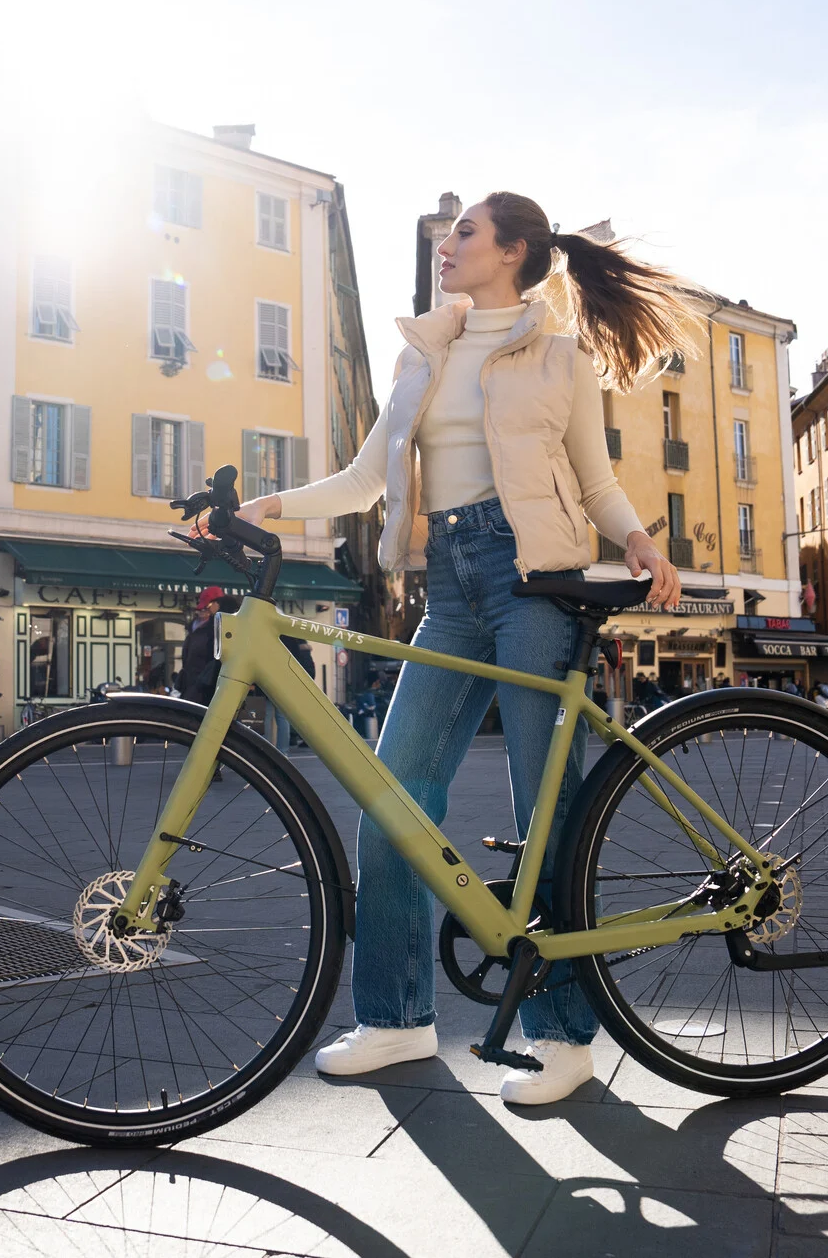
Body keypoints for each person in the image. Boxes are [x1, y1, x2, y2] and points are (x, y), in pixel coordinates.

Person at [210, 191, 686, 1105]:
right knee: (393, 792)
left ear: (513, 251)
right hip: (453, 583)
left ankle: (564, 1036)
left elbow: (594, 480)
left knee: (544, 803)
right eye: (448, 230)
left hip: (534, 574)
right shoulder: (422, 350)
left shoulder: (559, 354)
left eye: (465, 231)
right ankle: (395, 1018)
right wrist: (270, 506)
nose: (448, 243)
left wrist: (639, 541)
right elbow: (362, 478)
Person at [176, 587, 225, 706]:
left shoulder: (214, 629)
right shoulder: (196, 629)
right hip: (193, 684)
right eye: (202, 608)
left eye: (206, 607)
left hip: (203, 687)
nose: (204, 611)